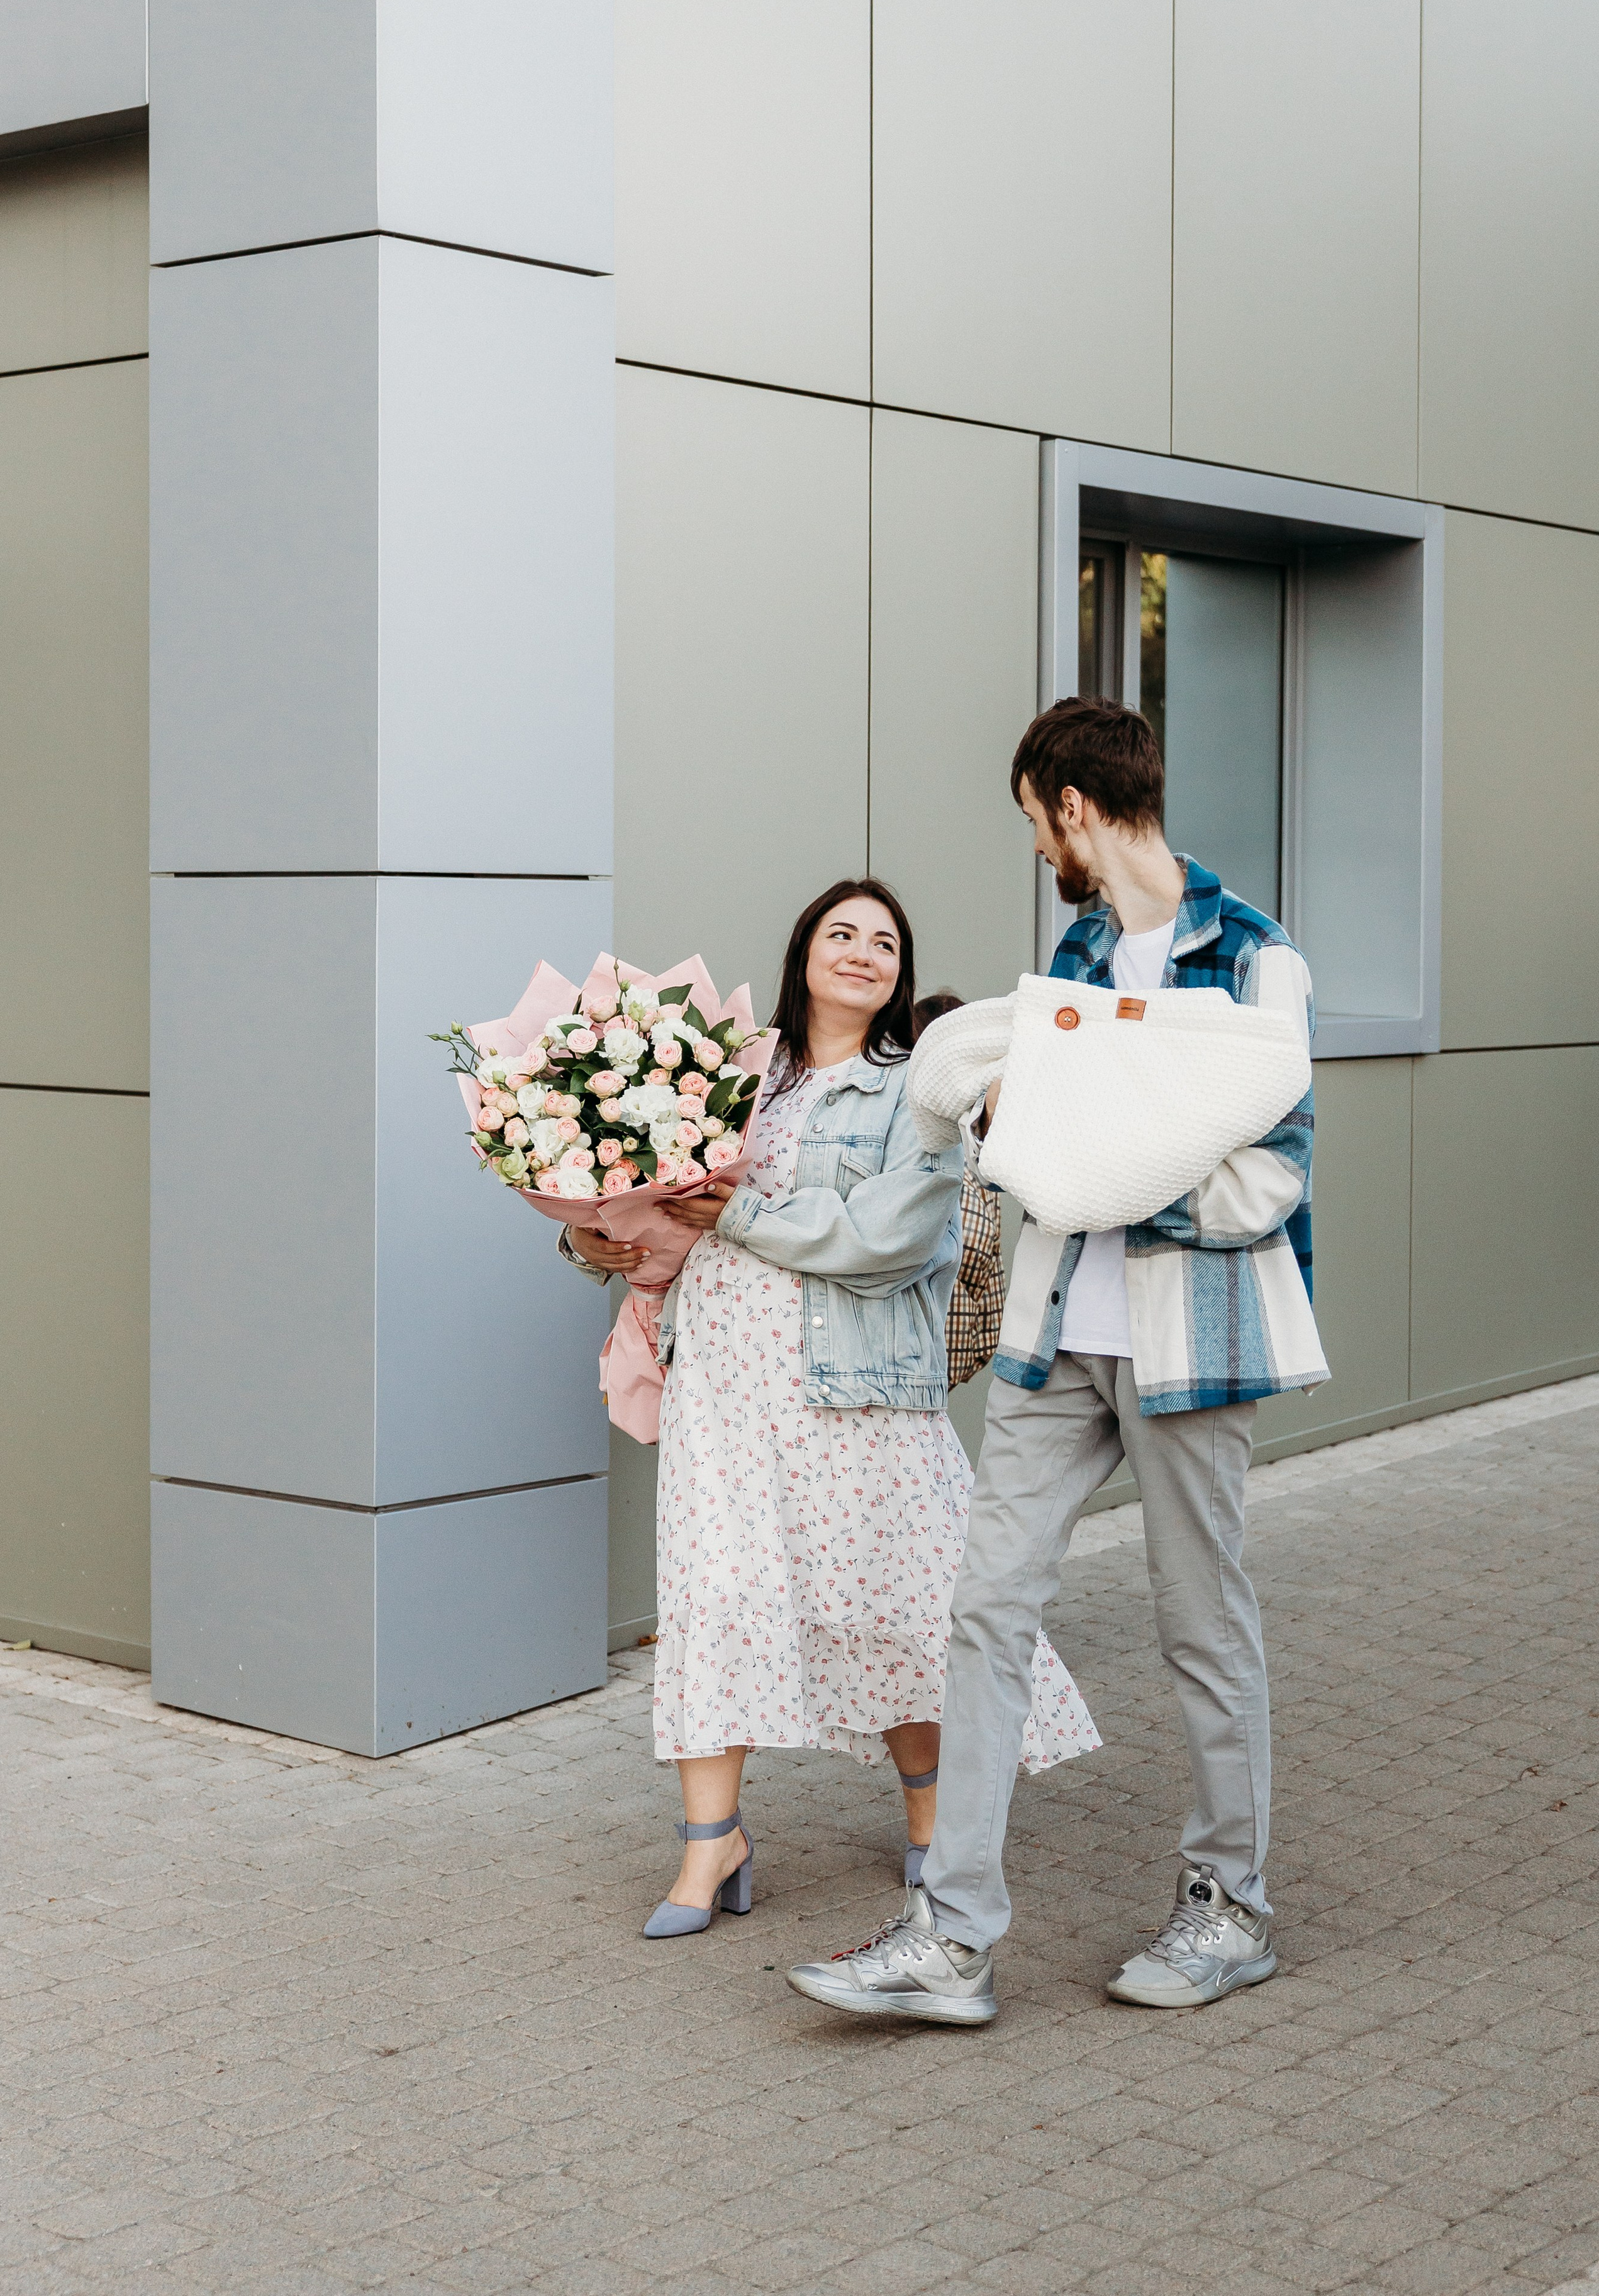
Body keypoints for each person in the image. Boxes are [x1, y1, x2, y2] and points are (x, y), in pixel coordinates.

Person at [788, 702, 1327, 2023]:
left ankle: (1230, 1907)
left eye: (1034, 821)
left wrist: (1101, 1173)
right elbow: (1052, 1119)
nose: (1036, 848)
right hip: (1053, 1340)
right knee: (984, 1612)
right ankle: (952, 1936)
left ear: (1073, 807)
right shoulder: (1078, 952)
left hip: (1185, 1340)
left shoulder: (1253, 962)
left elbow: (1271, 1177)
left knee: (1199, 1624)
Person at [563, 879, 1098, 1939]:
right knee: (717, 1599)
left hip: (855, 1389)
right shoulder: (723, 1076)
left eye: (884, 942)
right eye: (841, 933)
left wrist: (746, 1213)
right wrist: (592, 1238)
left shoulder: (921, 1093)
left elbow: (889, 1240)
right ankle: (710, 1845)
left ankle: (931, 1811)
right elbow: (633, 1194)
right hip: (722, 1377)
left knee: (894, 1602)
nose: (861, 952)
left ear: (900, 974)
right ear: (805, 949)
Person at [914, 993, 1005, 1391]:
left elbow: (991, 1294)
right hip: (930, 1357)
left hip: (939, 1363)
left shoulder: (981, 1156)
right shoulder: (968, 1160)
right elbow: (989, 1293)